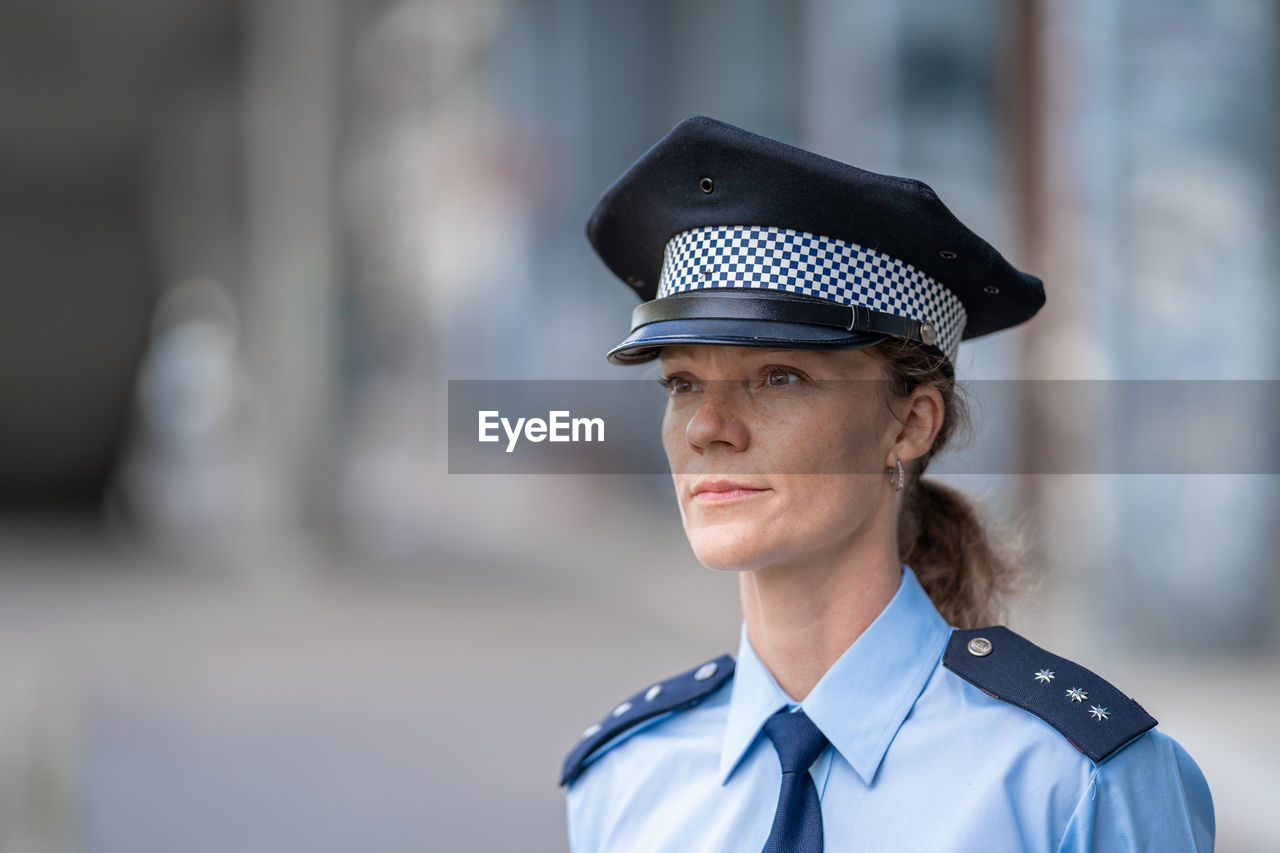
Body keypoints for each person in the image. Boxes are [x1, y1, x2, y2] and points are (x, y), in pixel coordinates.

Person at [559, 116, 1213, 852]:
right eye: (681, 381)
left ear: (910, 425)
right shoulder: (624, 782)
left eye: (779, 376)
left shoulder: (1070, 782)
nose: (709, 426)